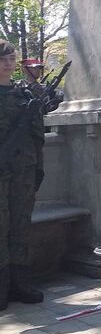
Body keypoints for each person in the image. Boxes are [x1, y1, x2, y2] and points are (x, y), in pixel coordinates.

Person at [0, 39, 46, 309]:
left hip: (24, 169)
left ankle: (19, 282)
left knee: (20, 223)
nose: (8, 63)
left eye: (11, 58)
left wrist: (38, 166)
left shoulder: (24, 94)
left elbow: (36, 134)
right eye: (3, 59)